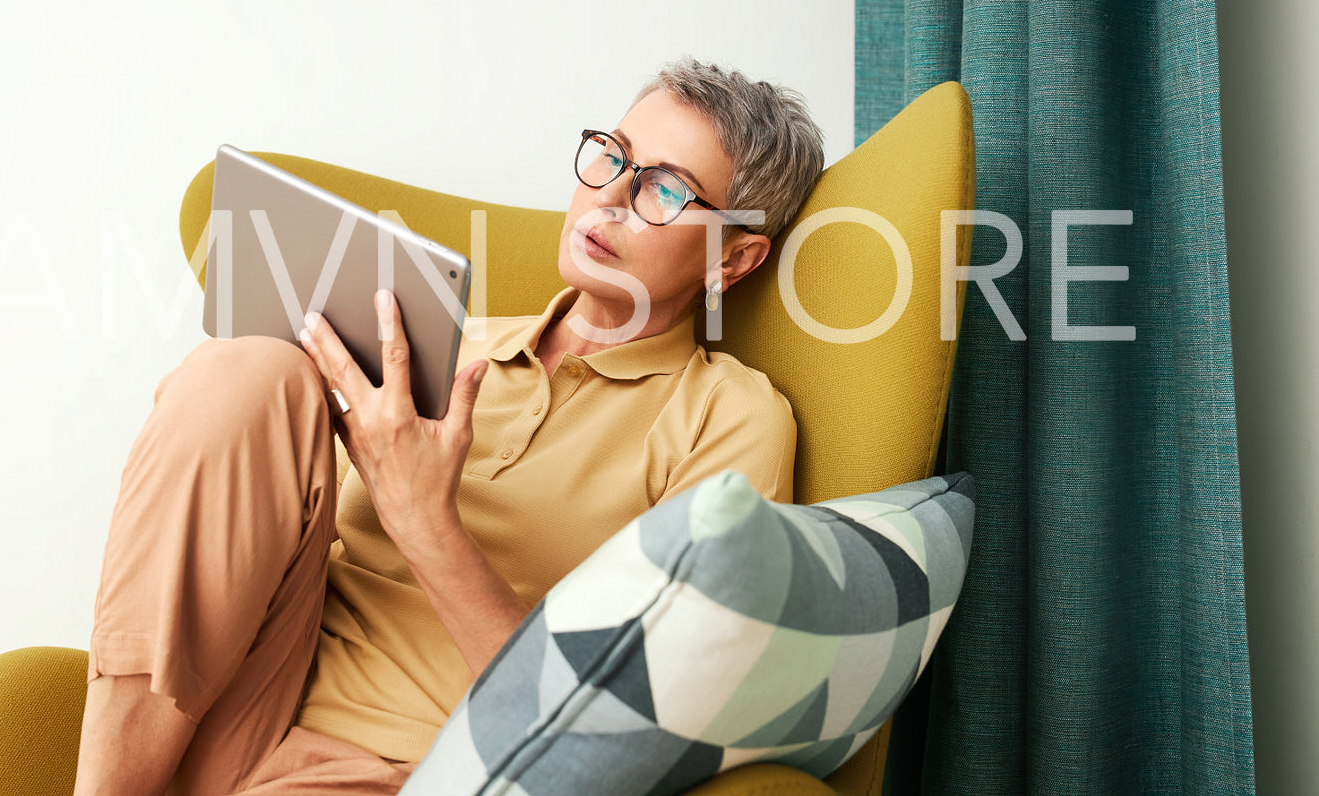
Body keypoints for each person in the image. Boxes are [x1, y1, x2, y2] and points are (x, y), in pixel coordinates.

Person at [72, 57, 826, 796]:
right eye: (612, 156)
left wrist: (421, 516)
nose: (612, 198)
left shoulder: (729, 417)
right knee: (248, 369)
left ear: (732, 259)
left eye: (666, 188)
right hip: (229, 713)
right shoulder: (440, 340)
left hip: (419, 769)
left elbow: (635, 733)